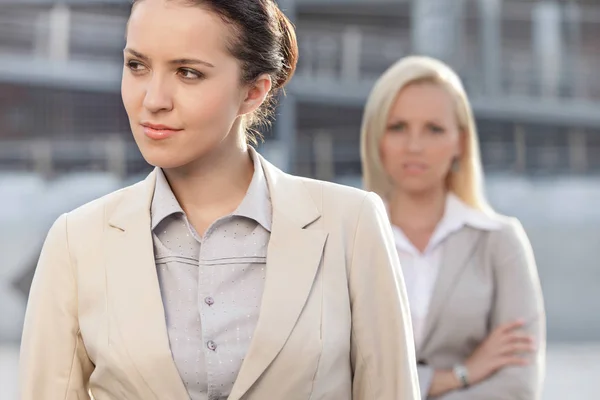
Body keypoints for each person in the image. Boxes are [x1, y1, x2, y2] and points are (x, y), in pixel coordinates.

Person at [19, 1, 420, 399]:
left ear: (254, 91)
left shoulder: (350, 226)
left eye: (188, 72)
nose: (153, 99)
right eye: (137, 66)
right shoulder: (77, 242)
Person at [360, 55, 546, 400]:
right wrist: (457, 376)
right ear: (376, 138)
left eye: (434, 129)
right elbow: (334, 372)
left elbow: (518, 385)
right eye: (398, 127)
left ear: (460, 142)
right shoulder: (349, 238)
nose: (414, 146)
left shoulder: (500, 241)